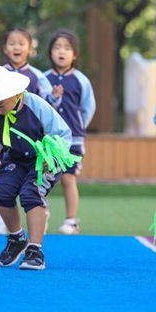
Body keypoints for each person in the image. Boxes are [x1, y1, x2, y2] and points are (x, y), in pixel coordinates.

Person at [0, 65, 72, 270]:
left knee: (31, 193)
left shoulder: (37, 106)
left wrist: (53, 158)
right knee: (2, 191)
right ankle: (16, 239)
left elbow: (63, 134)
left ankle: (35, 249)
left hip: (43, 161)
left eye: (0, 105)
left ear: (15, 93)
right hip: (16, 160)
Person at [0, 28, 60, 235]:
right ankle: (0, 218)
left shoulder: (37, 76)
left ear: (30, 49)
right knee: (2, 177)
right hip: (6, 137)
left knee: (32, 186)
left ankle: (38, 214)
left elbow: (47, 103)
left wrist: (55, 98)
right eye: (12, 43)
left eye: (21, 43)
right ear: (5, 48)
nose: (16, 47)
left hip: (33, 141)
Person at [44, 31, 95, 235]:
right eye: (57, 48)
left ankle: (71, 220)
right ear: (50, 53)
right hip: (48, 140)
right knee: (44, 175)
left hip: (73, 139)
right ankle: (41, 213)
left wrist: (78, 126)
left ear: (74, 54)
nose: (61, 52)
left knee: (68, 177)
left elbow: (88, 108)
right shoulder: (44, 79)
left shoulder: (81, 80)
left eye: (66, 48)